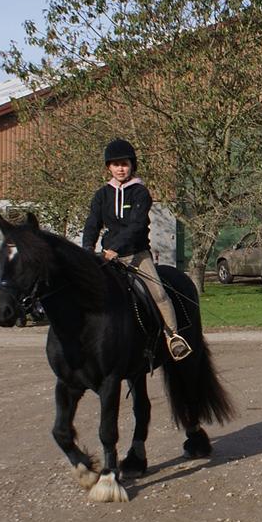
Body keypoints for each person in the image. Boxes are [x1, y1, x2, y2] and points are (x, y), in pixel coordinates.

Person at [82, 138, 191, 361]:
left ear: (132, 165)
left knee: (159, 294)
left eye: (124, 164)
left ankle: (173, 337)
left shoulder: (140, 192)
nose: (120, 168)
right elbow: (92, 223)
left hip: (136, 255)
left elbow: (137, 225)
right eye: (115, 164)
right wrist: (87, 248)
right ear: (108, 168)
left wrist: (115, 247)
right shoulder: (101, 195)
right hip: (107, 257)